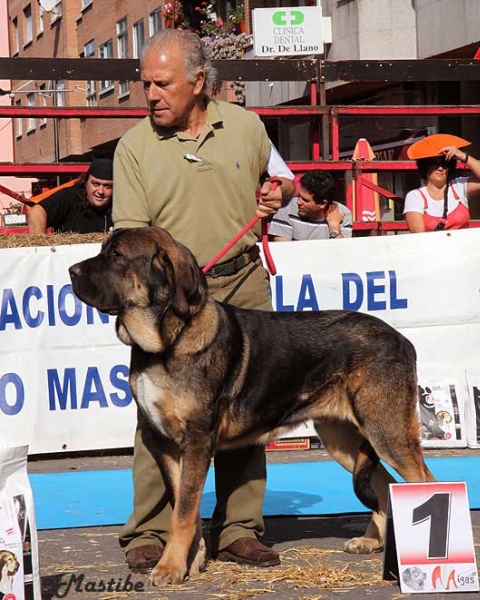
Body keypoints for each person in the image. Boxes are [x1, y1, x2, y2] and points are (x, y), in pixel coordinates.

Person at [112, 28, 295, 573]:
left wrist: (275, 193)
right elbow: (128, 241)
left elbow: (282, 180)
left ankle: (238, 529)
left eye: (162, 83)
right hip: (169, 308)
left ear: (198, 82)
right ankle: (148, 532)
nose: (151, 95)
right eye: (145, 83)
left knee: (248, 411)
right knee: (157, 417)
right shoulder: (133, 148)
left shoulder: (246, 125)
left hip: (243, 282)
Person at [403, 133, 480, 232]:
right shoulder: (415, 196)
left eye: (445, 164)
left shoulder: (458, 186)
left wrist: (464, 156)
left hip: (462, 246)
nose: (440, 168)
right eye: (434, 164)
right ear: (425, 168)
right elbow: (419, 236)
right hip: (433, 247)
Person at [27, 158, 113, 234]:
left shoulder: (118, 204)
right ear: (86, 182)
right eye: (96, 184)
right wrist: (43, 250)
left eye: (107, 186)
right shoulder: (70, 197)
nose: (100, 191)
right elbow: (35, 213)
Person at [269, 170, 352, 241]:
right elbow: (283, 252)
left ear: (323, 204)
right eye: (299, 196)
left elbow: (342, 253)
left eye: (305, 200)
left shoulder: (342, 214)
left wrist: (334, 228)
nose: (298, 202)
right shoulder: (286, 208)